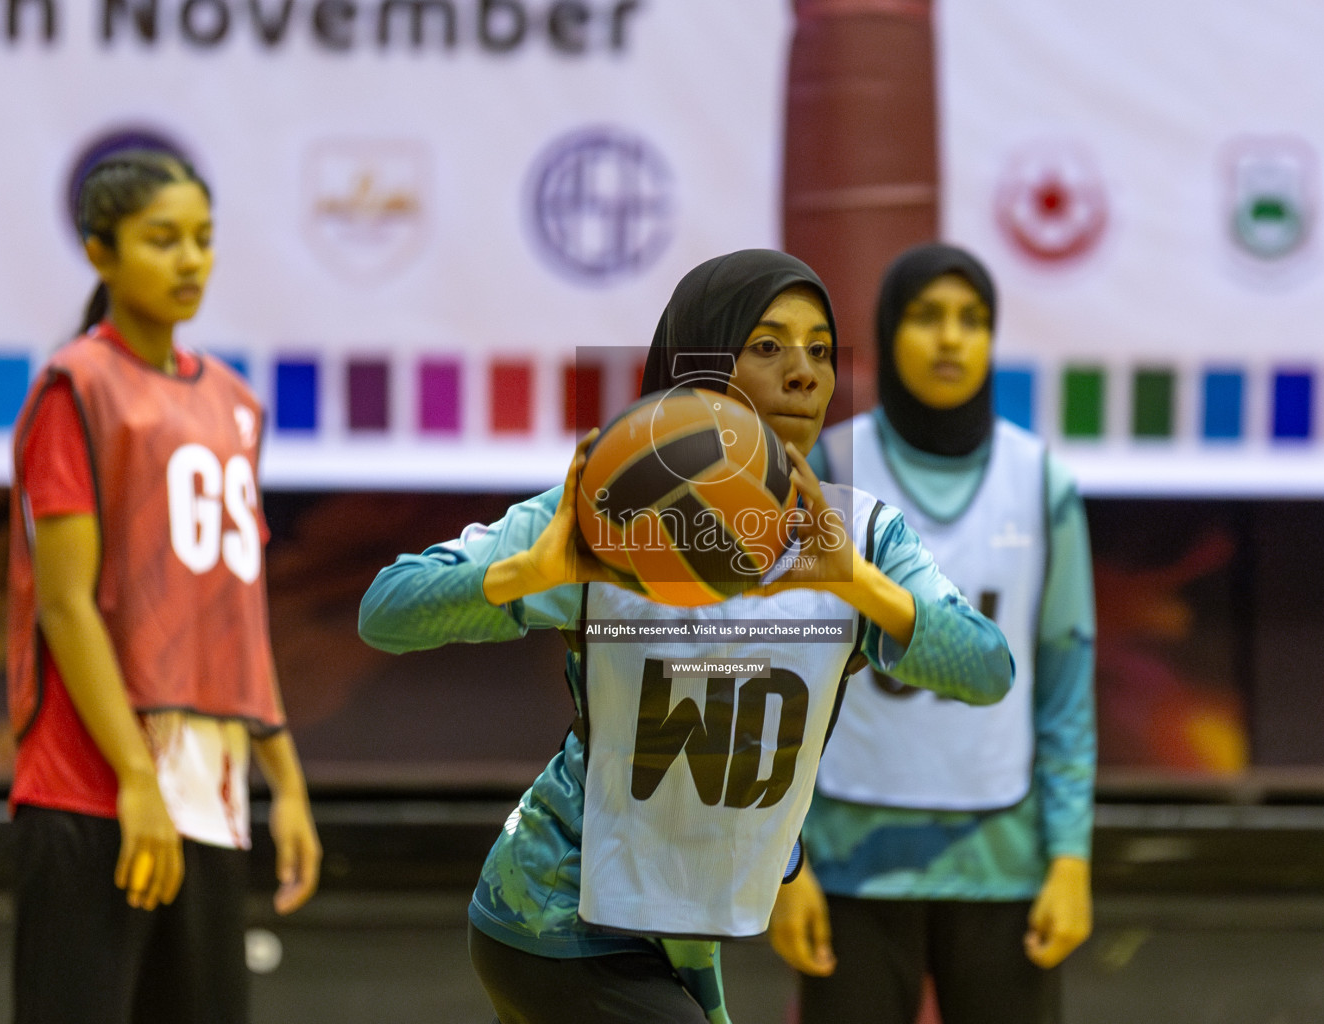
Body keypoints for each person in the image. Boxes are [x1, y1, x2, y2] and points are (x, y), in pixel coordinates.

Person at [357, 248, 1014, 1024]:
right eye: (767, 345)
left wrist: (856, 585)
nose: (804, 371)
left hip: (674, 940)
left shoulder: (862, 535)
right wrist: (528, 574)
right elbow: (386, 610)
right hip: (554, 917)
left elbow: (987, 668)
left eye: (821, 350)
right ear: (698, 362)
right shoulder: (611, 510)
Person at [6, 149, 321, 1024]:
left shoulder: (232, 401)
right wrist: (134, 781)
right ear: (100, 252)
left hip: (209, 791)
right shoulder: (77, 388)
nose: (189, 260)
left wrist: (284, 780)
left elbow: (237, 612)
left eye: (203, 240)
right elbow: (67, 607)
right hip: (92, 785)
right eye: (161, 240)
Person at [768, 243, 1096, 1024]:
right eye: (927, 317)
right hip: (848, 866)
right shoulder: (825, 467)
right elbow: (778, 683)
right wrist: (784, 867)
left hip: (1005, 865)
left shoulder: (1039, 479)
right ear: (886, 333)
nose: (951, 339)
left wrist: (1072, 859)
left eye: (972, 320)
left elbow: (1065, 690)